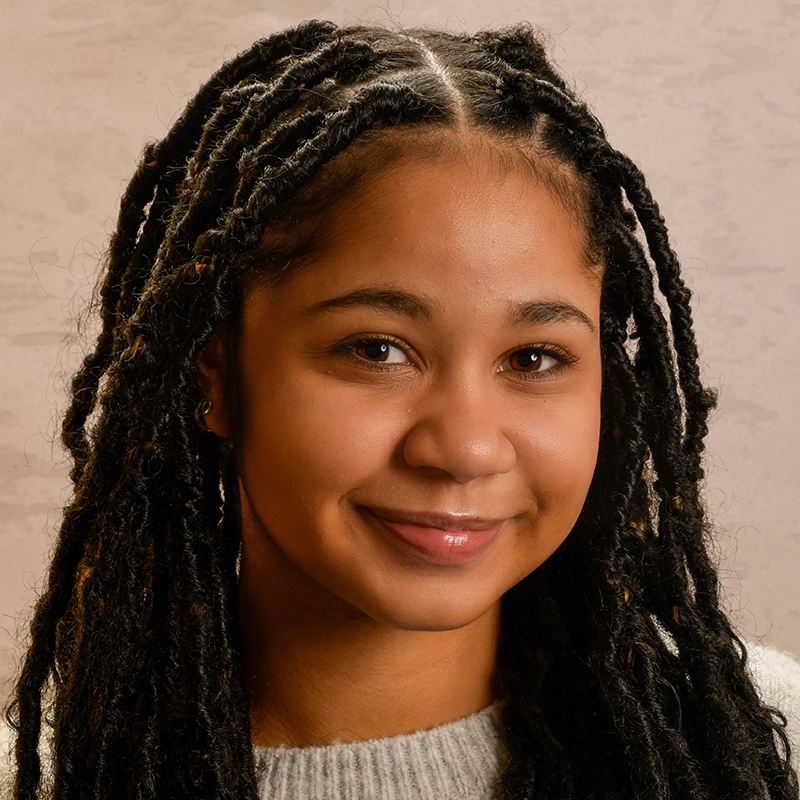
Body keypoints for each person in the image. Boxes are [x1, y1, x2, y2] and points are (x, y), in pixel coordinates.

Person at [2, 19, 799, 800]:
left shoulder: (753, 750)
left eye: (534, 358)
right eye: (377, 349)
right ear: (213, 367)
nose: (464, 447)